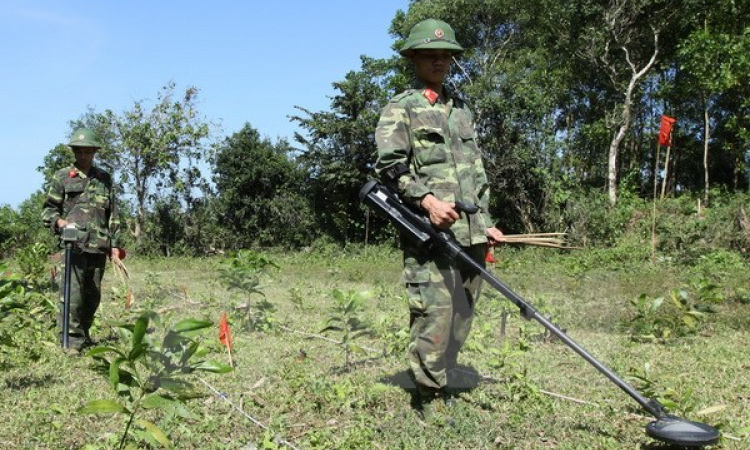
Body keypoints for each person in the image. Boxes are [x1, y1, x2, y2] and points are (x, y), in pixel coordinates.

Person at [375, 19, 504, 421]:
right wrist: (427, 200)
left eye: (446, 54)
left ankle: (443, 375)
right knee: (435, 313)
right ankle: (430, 397)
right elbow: (390, 168)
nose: (440, 60)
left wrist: (487, 222)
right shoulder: (401, 107)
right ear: (413, 58)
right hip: (429, 233)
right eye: (431, 54)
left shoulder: (461, 110)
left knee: (463, 314)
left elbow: (476, 174)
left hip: (472, 233)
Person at [42, 128, 122, 352]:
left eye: (88, 151)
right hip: (73, 246)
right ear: (74, 152)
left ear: (95, 152)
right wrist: (59, 223)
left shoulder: (104, 179)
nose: (84, 155)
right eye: (79, 151)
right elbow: (49, 210)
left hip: (98, 245)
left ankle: (83, 335)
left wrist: (114, 246)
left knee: (92, 295)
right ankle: (71, 342)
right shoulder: (62, 177)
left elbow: (113, 214)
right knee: (72, 294)